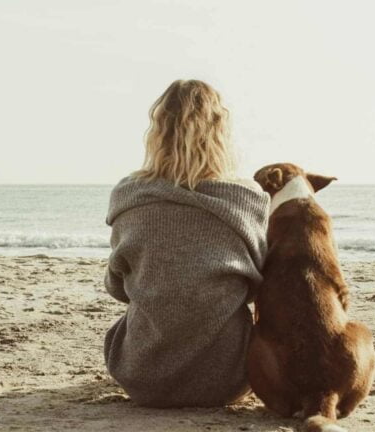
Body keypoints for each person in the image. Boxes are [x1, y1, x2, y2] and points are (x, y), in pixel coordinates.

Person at [103, 79, 269, 407]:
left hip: (143, 378)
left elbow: (117, 287)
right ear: (220, 132)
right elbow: (255, 287)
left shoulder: (128, 196)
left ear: (158, 131)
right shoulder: (247, 199)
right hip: (228, 379)